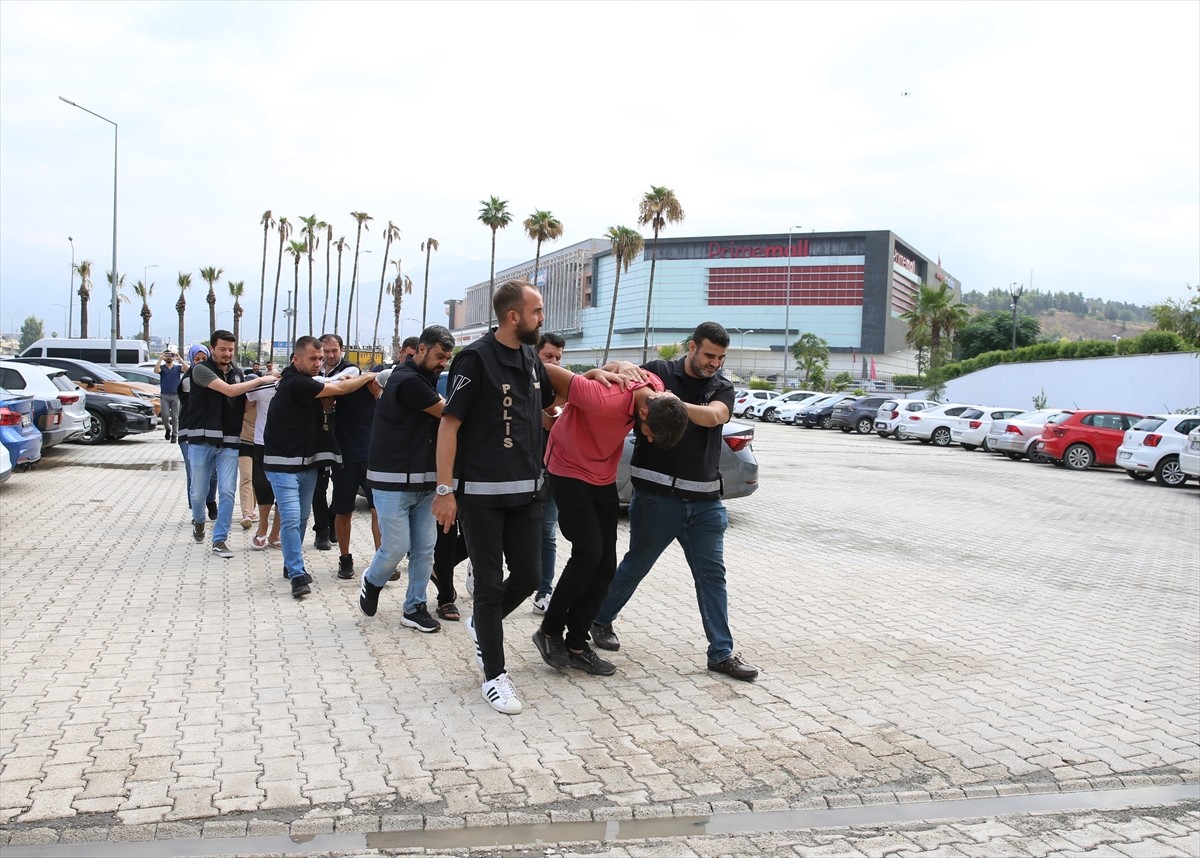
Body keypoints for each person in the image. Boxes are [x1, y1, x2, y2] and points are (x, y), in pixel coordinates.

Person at [590, 322, 760, 682]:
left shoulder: (721, 387)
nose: (714, 363)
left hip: (706, 504)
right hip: (656, 498)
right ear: (693, 347)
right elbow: (613, 374)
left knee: (712, 576)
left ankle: (721, 653)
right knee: (636, 566)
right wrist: (618, 367)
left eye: (721, 357)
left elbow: (716, 416)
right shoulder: (658, 372)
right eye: (709, 355)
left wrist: (668, 403)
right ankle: (599, 620)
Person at [433, 281, 557, 715]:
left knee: (528, 577)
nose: (543, 318)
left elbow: (544, 400)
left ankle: (482, 628)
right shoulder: (475, 358)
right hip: (482, 496)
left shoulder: (529, 356)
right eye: (537, 311)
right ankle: (495, 676)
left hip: (528, 492)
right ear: (513, 316)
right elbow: (449, 425)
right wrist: (445, 490)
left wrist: (595, 378)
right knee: (487, 586)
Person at [532, 363, 689, 676]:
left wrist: (618, 365)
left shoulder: (653, 385)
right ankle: (549, 632)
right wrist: (596, 371)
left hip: (602, 477)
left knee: (606, 565)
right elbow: (543, 367)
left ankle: (577, 644)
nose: (645, 439)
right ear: (644, 413)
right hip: (568, 470)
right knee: (588, 552)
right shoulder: (602, 396)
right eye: (648, 435)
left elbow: (631, 373)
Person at [358, 325, 456, 631]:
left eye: (447, 358)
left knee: (426, 549)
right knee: (396, 548)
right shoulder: (407, 380)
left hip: (426, 483)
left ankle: (414, 607)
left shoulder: (425, 380)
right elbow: (448, 415)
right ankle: (372, 580)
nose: (443, 362)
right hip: (392, 481)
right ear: (421, 350)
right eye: (439, 355)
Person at [264, 336, 377, 598]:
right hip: (282, 465)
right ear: (295, 359)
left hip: (307, 464)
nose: (319, 362)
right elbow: (339, 390)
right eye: (313, 358)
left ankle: (290, 562)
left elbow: (329, 395)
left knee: (301, 518)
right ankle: (296, 573)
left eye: (320, 358)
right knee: (292, 518)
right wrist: (367, 376)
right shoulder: (296, 382)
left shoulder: (311, 382)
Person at [181, 331, 278, 558]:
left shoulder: (236, 373)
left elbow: (242, 402)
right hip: (201, 441)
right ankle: (198, 520)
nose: (227, 353)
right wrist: (261, 379)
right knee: (198, 492)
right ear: (212, 348)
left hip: (230, 441)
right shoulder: (201, 370)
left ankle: (219, 540)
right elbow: (229, 391)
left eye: (231, 350)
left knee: (227, 491)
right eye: (223, 349)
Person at [320, 334, 381, 580]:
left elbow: (379, 393)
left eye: (334, 350)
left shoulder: (357, 374)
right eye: (326, 351)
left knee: (379, 511)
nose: (330, 355)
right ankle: (345, 559)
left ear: (342, 350)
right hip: (343, 455)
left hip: (372, 456)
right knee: (343, 511)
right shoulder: (324, 380)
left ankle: (381, 561)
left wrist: (369, 380)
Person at [531, 332, 565, 614]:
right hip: (518, 471)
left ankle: (544, 590)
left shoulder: (564, 385)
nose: (554, 362)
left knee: (547, 532)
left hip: (553, 471)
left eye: (558, 358)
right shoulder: (522, 381)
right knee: (509, 530)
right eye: (548, 356)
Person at [178, 344, 216, 520]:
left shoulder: (215, 376)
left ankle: (210, 501)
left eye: (204, 359)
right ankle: (196, 510)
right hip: (188, 432)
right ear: (191, 360)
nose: (200, 363)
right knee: (194, 471)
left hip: (211, 431)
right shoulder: (188, 380)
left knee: (213, 472)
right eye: (197, 359)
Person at [246, 374, 281, 551]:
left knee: (284, 489)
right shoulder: (264, 388)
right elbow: (244, 401)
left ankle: (276, 533)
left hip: (287, 446)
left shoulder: (303, 387)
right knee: (262, 485)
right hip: (261, 443)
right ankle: (262, 527)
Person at [155, 348, 185, 442]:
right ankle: (168, 428)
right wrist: (160, 359)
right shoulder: (162, 368)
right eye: (167, 356)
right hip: (164, 395)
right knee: (165, 415)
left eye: (171, 356)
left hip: (176, 395)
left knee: (175, 416)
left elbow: (188, 369)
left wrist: (180, 359)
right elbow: (156, 370)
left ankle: (174, 435)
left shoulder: (177, 368)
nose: (169, 357)